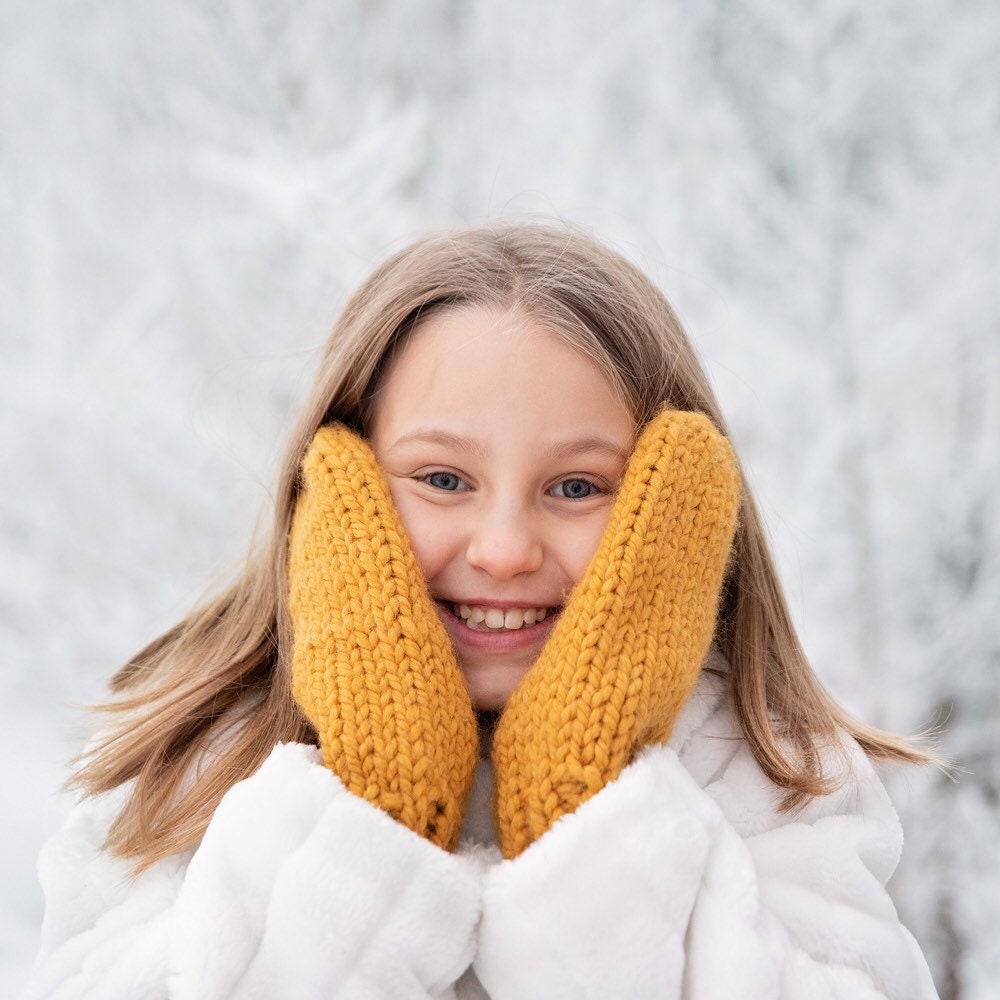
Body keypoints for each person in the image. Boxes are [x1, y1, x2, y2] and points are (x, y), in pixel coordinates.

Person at [24, 222, 940, 999]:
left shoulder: (779, 784)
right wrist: (373, 810)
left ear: (677, 513)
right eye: (443, 478)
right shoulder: (190, 776)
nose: (505, 547)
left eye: (578, 486)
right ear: (336, 491)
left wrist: (588, 805)